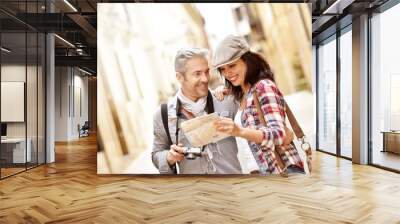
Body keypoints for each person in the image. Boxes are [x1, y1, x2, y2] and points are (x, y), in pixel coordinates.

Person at [212, 35, 304, 175]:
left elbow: (279, 134)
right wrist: (224, 90)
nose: (227, 73)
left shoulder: (263, 87)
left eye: (232, 65)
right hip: (260, 172)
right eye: (222, 69)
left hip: (281, 171)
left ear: (247, 61)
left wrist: (240, 131)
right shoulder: (242, 95)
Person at [151, 47, 242, 174]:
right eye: (197, 74)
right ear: (179, 77)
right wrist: (169, 157)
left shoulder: (227, 101)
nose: (205, 79)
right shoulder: (162, 115)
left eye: (207, 72)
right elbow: (156, 154)